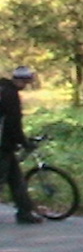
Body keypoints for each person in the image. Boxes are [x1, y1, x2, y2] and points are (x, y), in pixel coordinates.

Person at [0, 66, 43, 223]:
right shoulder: (10, 95)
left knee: (16, 179)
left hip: (6, 145)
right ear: (20, 80)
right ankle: (24, 213)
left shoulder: (3, 89)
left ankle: (25, 213)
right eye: (25, 82)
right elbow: (13, 123)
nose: (26, 86)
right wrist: (24, 142)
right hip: (2, 145)